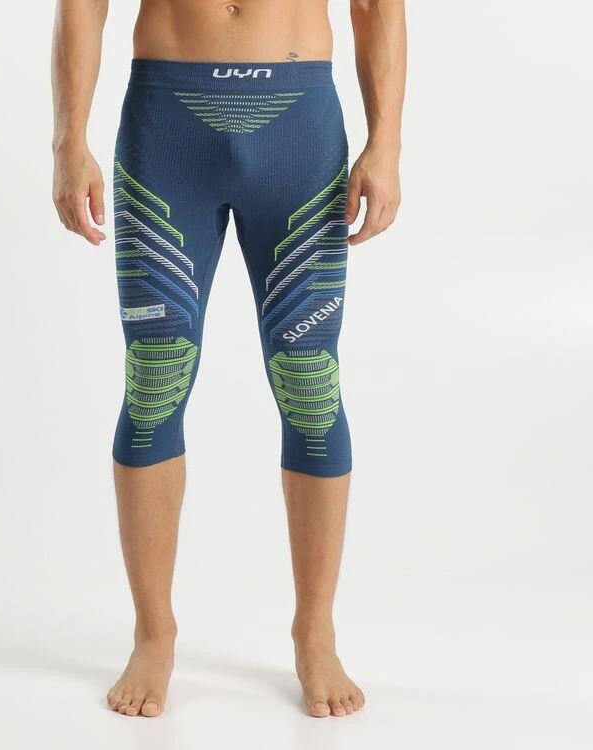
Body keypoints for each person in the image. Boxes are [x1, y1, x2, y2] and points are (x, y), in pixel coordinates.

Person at [51, 0, 406, 718]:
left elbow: (376, 6)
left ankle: (315, 633)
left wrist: (387, 143)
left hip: (299, 130)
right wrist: (68, 139)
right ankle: (153, 635)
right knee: (155, 381)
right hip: (167, 125)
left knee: (309, 384)